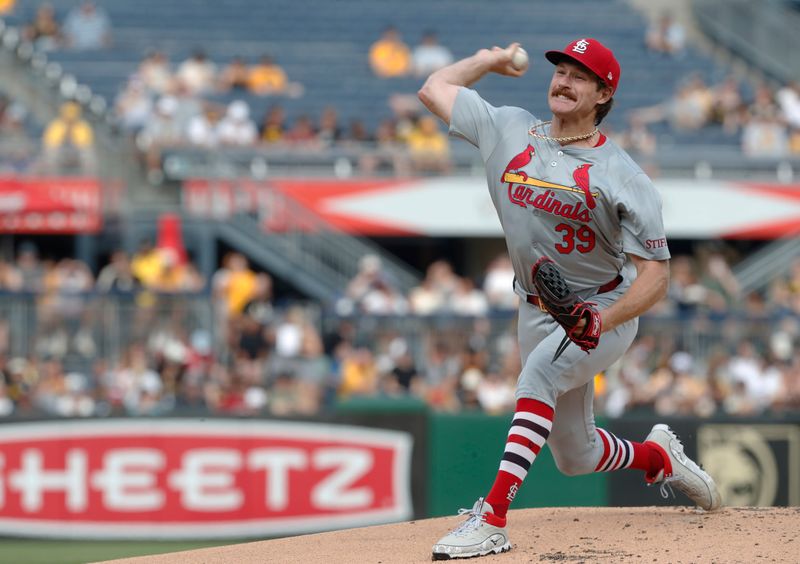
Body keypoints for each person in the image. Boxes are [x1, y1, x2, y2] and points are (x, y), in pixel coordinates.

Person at [418, 37, 721, 560]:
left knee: (537, 376)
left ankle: (491, 517)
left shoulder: (623, 175)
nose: (563, 80)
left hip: (601, 309)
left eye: (580, 75)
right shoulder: (508, 128)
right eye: (561, 69)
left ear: (604, 93)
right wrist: (486, 62)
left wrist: (601, 321)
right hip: (534, 308)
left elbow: (656, 279)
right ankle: (658, 458)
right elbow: (433, 87)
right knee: (575, 455)